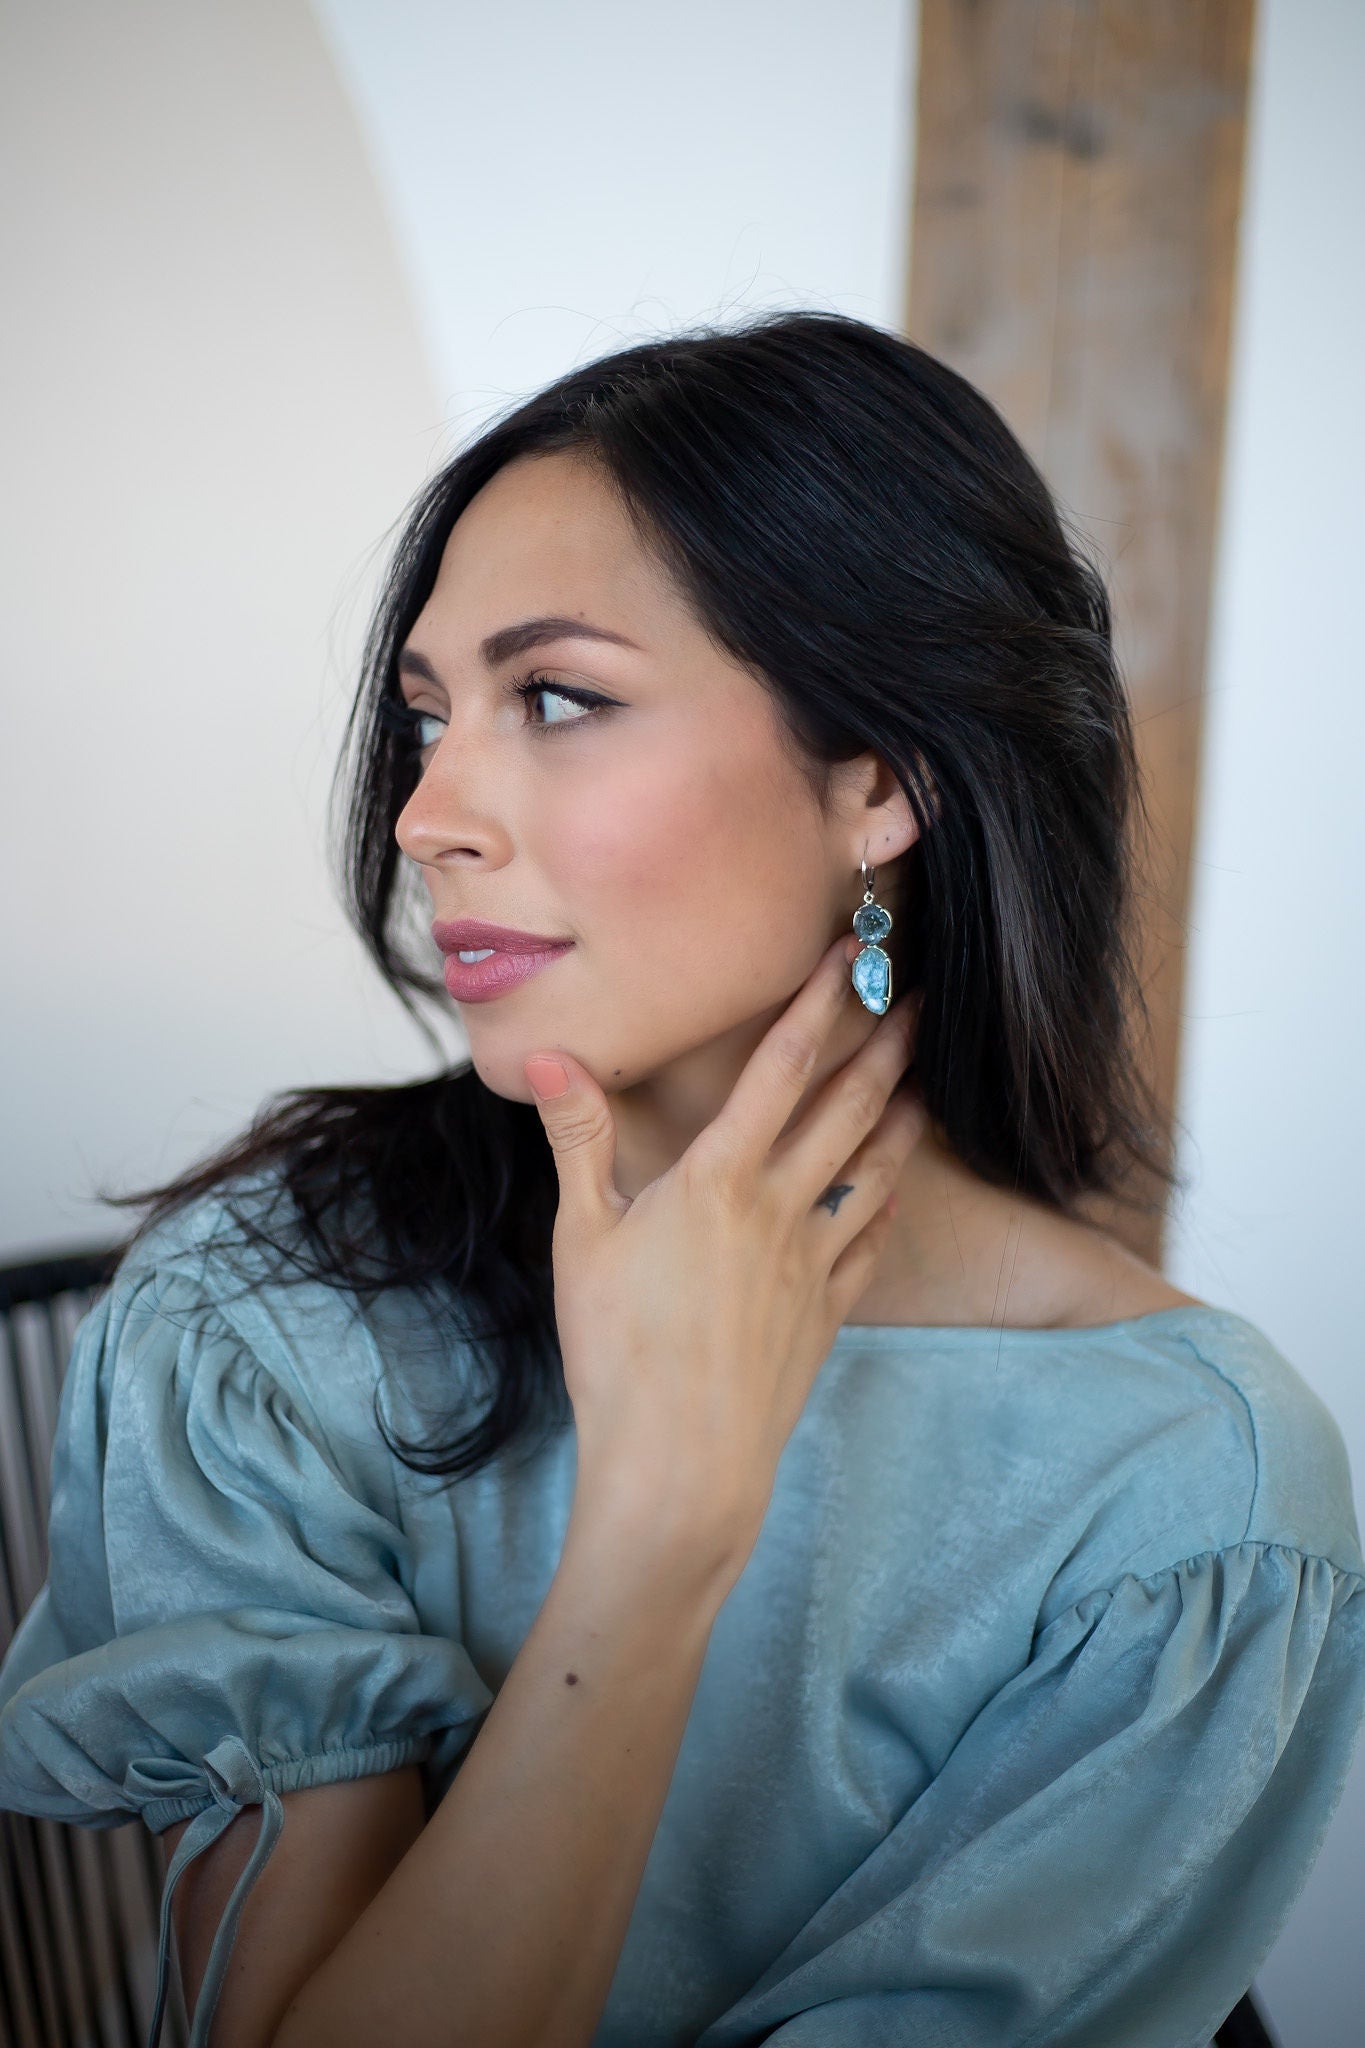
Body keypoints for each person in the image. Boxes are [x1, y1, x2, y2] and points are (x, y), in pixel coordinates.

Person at [1, 309, 1361, 2048]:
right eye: (431, 712)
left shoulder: (1190, 1501)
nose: (427, 815)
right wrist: (653, 1544)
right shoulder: (268, 1327)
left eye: (557, 697)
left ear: (880, 782)